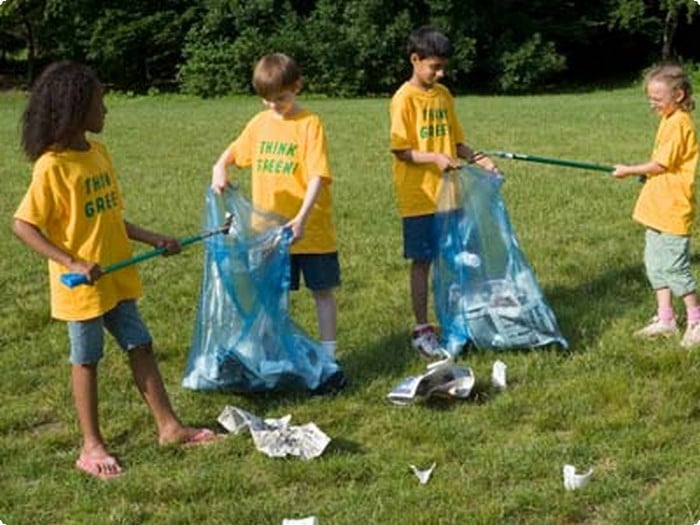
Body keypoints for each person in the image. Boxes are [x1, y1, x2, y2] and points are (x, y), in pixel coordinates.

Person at [12, 61, 219, 481]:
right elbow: (23, 225)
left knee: (140, 344)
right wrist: (72, 262)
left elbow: (110, 218)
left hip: (115, 277)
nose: (105, 111)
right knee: (87, 359)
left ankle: (170, 427)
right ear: (74, 110)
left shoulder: (99, 153)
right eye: (99, 104)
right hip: (81, 287)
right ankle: (91, 447)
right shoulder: (52, 167)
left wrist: (153, 238)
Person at [212, 53, 340, 363]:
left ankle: (328, 355)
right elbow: (236, 149)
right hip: (267, 232)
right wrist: (220, 166)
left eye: (280, 98)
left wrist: (301, 218)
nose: (273, 105)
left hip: (310, 230)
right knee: (272, 295)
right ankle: (272, 351)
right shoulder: (260, 123)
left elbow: (317, 177)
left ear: (297, 87)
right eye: (266, 100)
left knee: (322, 291)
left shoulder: (309, 124)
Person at [390, 26, 500, 359]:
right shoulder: (404, 99)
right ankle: (422, 328)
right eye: (434, 66)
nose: (440, 73)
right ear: (415, 59)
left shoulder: (443, 95)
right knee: (423, 261)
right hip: (420, 198)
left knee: (457, 257)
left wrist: (478, 157)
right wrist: (434, 158)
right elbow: (401, 150)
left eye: (443, 67)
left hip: (451, 194)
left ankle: (460, 318)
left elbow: (456, 142)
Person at [612, 61, 700, 348]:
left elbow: (662, 164)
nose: (653, 104)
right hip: (657, 207)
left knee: (675, 268)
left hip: (673, 209)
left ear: (677, 96)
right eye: (650, 99)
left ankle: (696, 320)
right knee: (655, 266)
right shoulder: (668, 119)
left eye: (657, 99)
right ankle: (666, 319)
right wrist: (645, 176)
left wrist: (630, 170)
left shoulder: (680, 123)